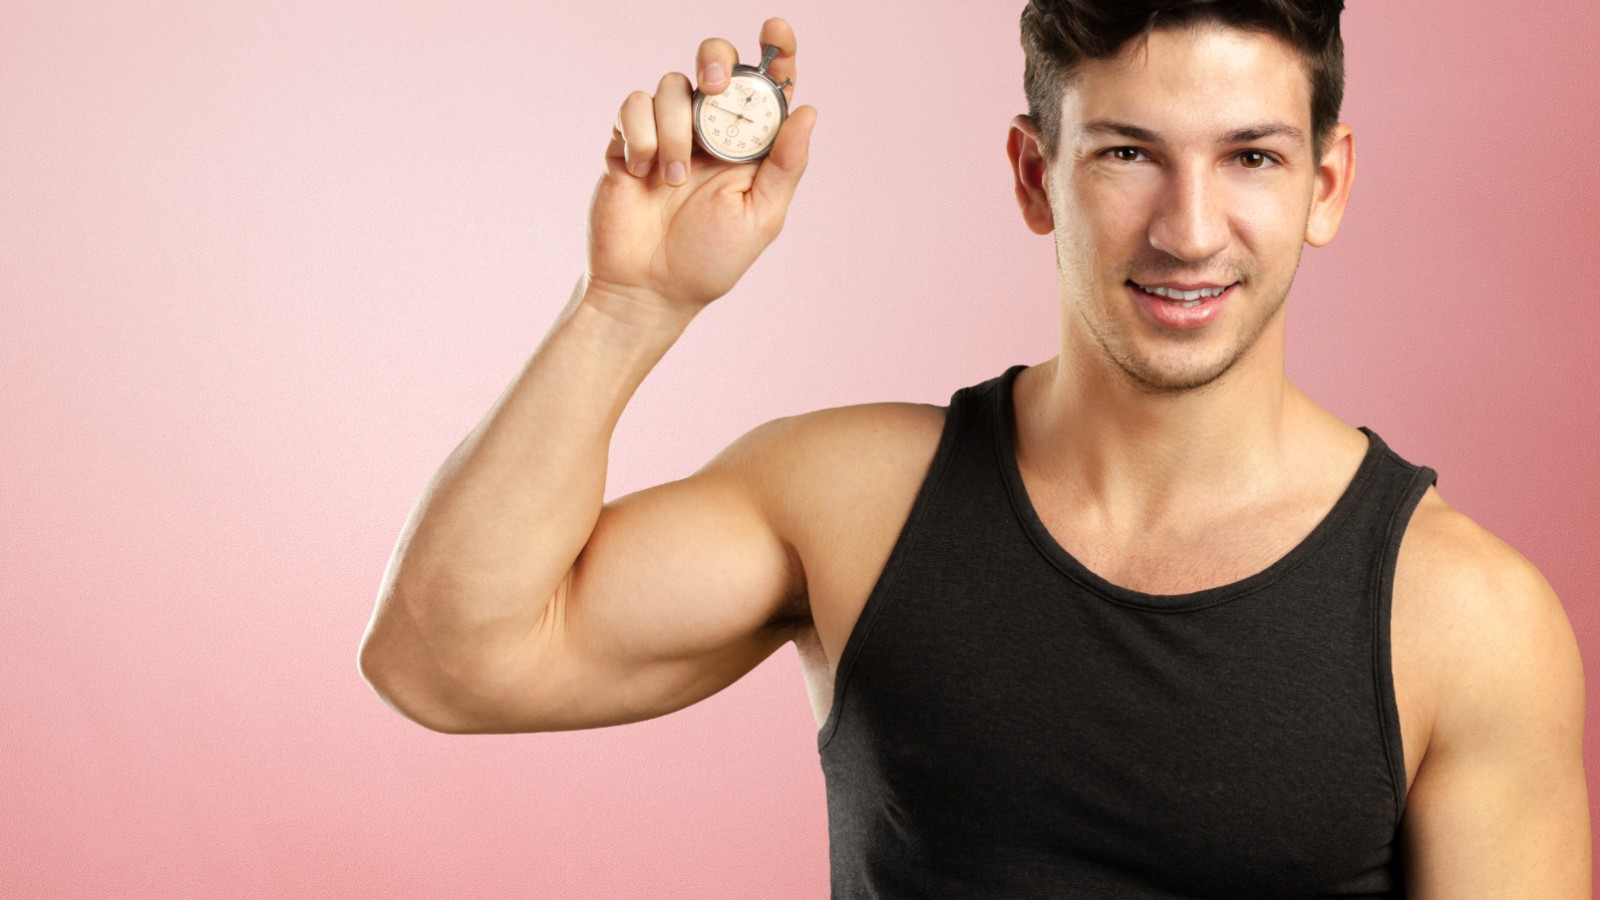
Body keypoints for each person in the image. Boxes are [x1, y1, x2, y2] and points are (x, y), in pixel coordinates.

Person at [358, 2, 1590, 896]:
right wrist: (626, 306)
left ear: (1326, 183)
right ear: (1032, 172)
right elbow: (442, 661)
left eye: (1251, 157)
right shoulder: (851, 503)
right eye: (1126, 153)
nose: (1188, 228)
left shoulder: (1461, 618)